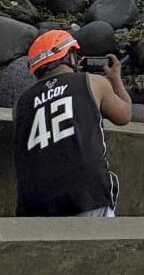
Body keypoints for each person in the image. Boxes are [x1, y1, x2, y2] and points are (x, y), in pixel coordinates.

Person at [13, 30, 132, 217]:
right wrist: (116, 79)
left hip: (34, 206)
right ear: (69, 56)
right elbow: (124, 116)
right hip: (86, 195)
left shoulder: (21, 102)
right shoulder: (93, 82)